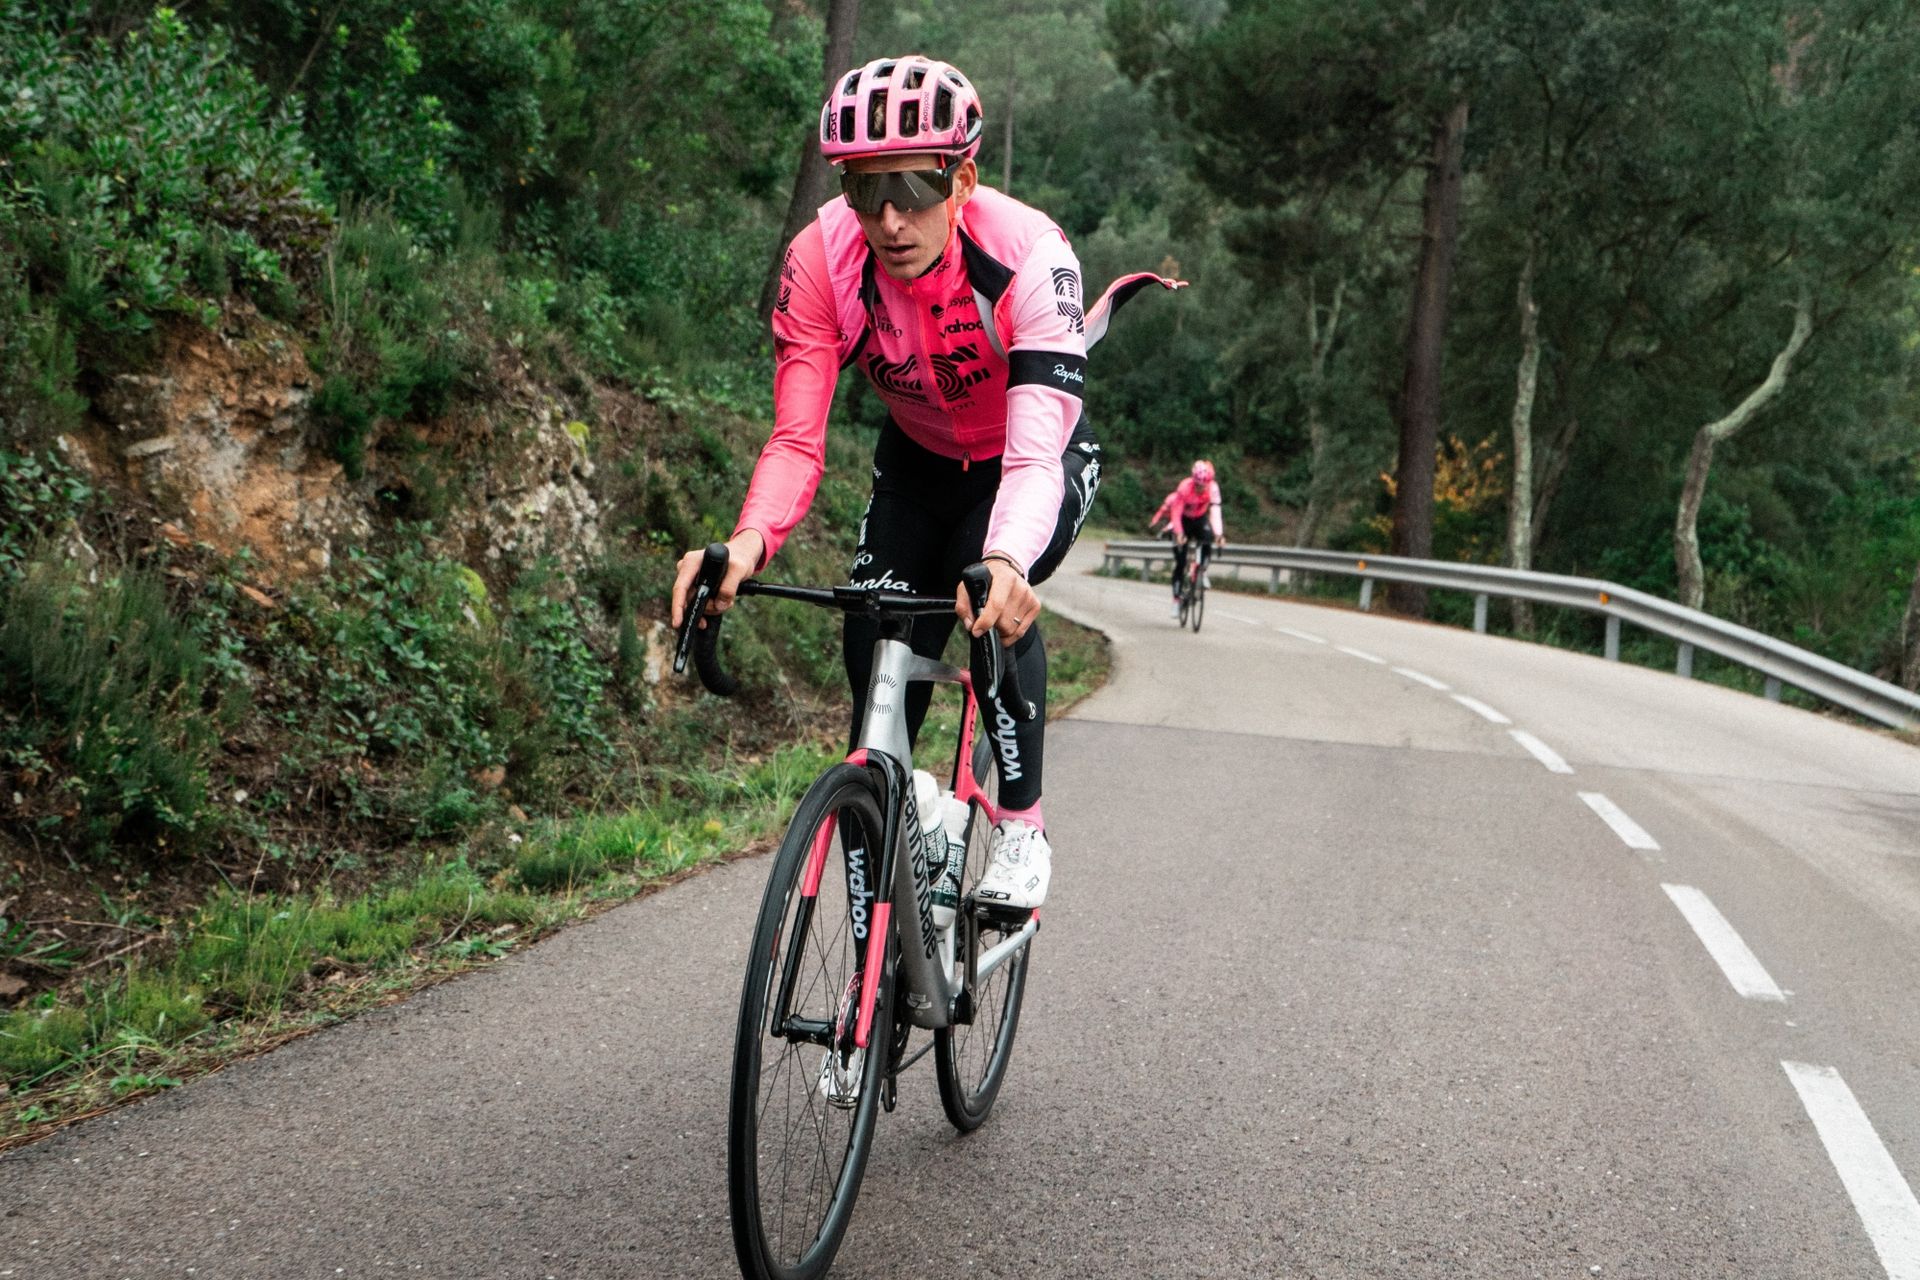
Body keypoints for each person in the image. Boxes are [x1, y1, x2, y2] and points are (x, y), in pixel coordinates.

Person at [670, 55, 1181, 910]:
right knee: (874, 643)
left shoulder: (1028, 256)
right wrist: (749, 543)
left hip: (1030, 462)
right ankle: (911, 813)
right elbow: (797, 439)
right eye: (865, 192)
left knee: (987, 605)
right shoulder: (822, 260)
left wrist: (1011, 562)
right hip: (916, 460)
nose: (890, 218)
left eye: (912, 187)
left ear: (963, 177)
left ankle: (1020, 826)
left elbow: (1030, 459)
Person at [1157, 459, 1223, 618]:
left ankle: (1202, 571)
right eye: (1198, 485)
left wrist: (1219, 534)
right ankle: (1176, 600)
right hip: (1183, 520)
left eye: (1204, 485)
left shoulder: (1212, 488)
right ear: (1194, 481)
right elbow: (1176, 512)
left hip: (1199, 519)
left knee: (1208, 539)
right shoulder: (1185, 487)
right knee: (1180, 562)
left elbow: (1215, 511)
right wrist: (1179, 533)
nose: (1201, 488)